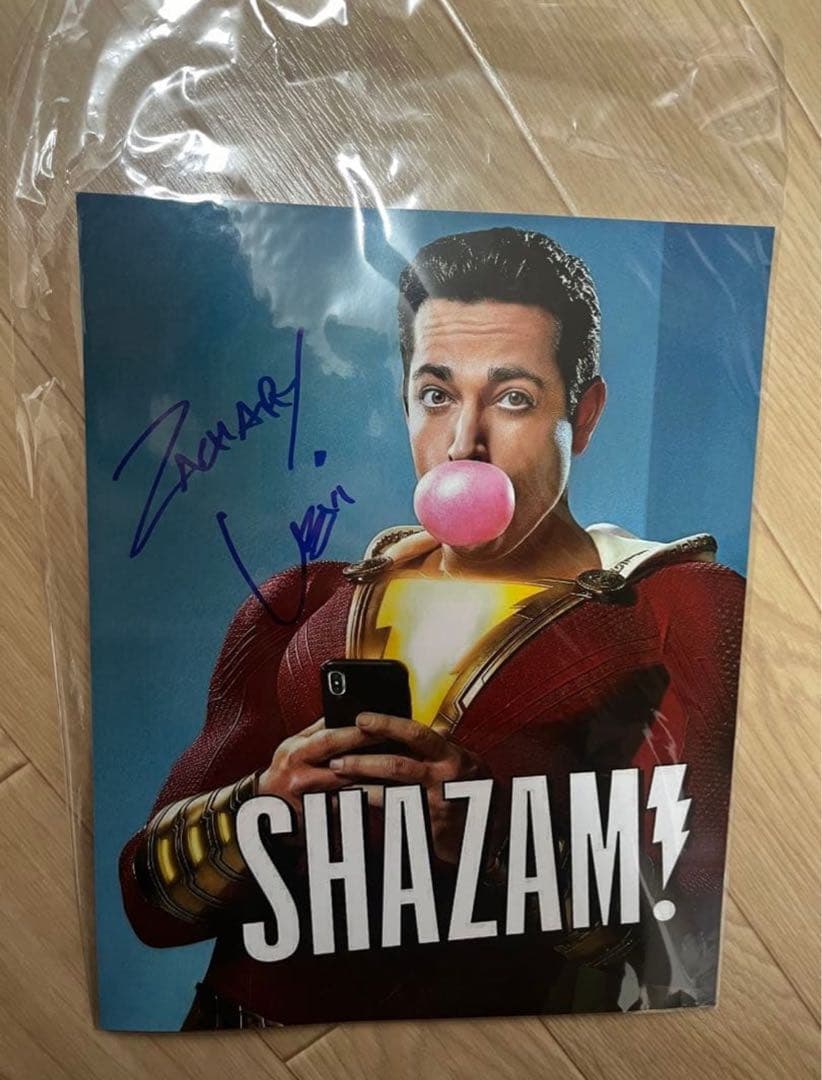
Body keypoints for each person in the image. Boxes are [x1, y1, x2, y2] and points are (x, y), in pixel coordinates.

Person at [119, 227, 743, 1027]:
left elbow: (694, 944)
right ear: (404, 401)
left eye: (512, 399)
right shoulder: (304, 600)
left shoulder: (678, 609)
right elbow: (149, 908)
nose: (463, 443)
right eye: (438, 395)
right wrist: (260, 808)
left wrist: (496, 836)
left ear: (583, 416)